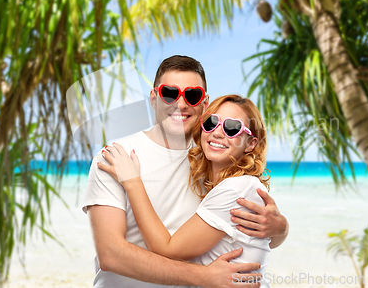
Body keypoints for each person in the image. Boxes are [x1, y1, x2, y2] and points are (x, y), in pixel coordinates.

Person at [82, 56, 289, 288]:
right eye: (169, 93)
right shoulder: (116, 158)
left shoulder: (213, 159)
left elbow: (246, 234)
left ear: (204, 102)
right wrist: (203, 276)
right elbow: (111, 255)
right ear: (153, 98)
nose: (180, 104)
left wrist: (280, 228)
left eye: (192, 95)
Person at [102, 94, 272, 288]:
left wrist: (132, 181)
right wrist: (282, 230)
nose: (217, 133)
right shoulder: (230, 187)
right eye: (211, 122)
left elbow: (167, 249)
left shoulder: (237, 188)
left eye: (231, 128)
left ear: (251, 143)